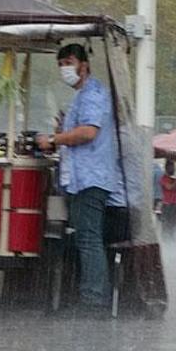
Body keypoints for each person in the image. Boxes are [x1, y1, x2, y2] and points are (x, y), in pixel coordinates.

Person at [38, 43, 120, 308]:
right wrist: (62, 132)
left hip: (90, 178)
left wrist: (54, 139)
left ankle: (93, 299)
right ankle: (89, 294)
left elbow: (88, 132)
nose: (65, 69)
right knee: (84, 237)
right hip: (79, 179)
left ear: (84, 65)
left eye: (69, 62)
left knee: (88, 238)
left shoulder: (93, 94)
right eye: (61, 64)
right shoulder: (81, 96)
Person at [160, 159, 176, 240]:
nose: (173, 169)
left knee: (173, 225)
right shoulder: (164, 178)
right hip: (167, 204)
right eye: (172, 167)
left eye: (174, 167)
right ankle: (166, 240)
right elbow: (169, 187)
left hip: (174, 204)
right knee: (166, 225)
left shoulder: (173, 179)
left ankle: (172, 240)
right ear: (167, 167)